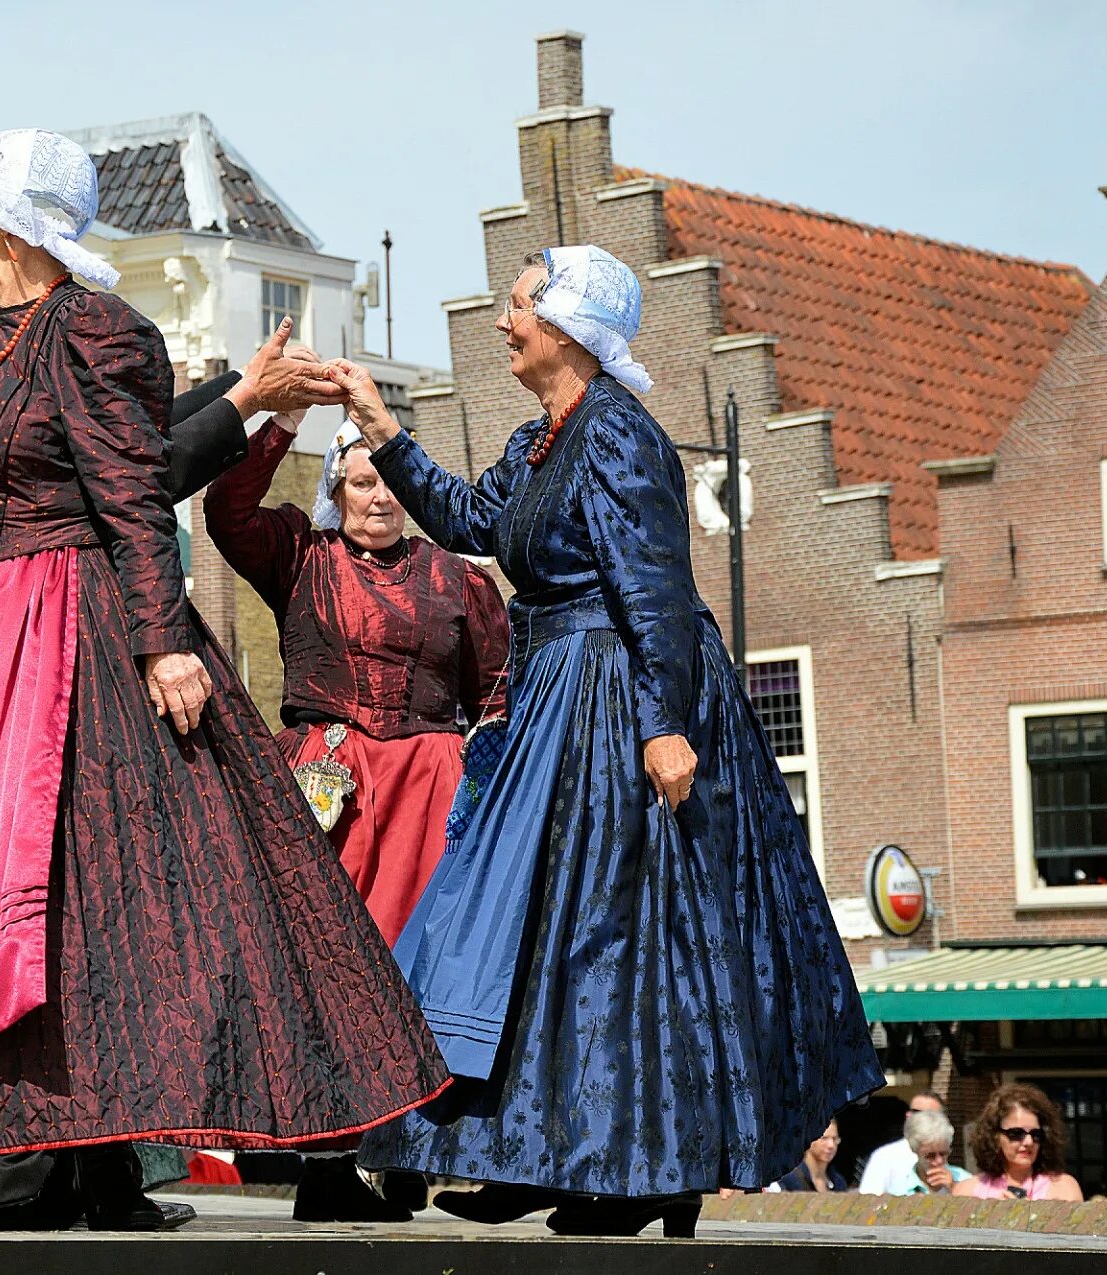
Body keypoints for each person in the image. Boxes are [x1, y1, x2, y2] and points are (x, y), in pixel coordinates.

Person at [0, 104, 451, 1234]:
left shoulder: (96, 331)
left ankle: (97, 1170)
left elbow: (131, 496)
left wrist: (163, 642)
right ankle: (46, 1165)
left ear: (5, 217)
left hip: (69, 630)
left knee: (96, 898)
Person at [341, 246, 884, 1238]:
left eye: (518, 308)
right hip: (557, 691)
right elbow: (475, 519)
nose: (504, 324)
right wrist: (384, 432)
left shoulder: (620, 436)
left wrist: (665, 724)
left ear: (565, 325)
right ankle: (534, 1152)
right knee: (534, 934)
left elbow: (656, 591)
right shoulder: (544, 438)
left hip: (613, 694)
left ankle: (638, 1174)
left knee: (613, 943)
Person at [206, 408, 510, 1222]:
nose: (380, 497)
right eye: (363, 481)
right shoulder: (302, 556)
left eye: (391, 481)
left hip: (430, 789)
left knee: (425, 975)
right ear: (337, 485)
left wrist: (488, 778)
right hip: (330, 789)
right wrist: (283, 420)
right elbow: (225, 511)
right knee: (329, 968)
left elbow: (498, 689)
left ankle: (411, 1151)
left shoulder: (455, 577)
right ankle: (328, 1161)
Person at [959, 1083, 1083, 1201]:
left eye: (1036, 1134)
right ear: (995, 1136)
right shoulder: (967, 1191)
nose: (1028, 1142)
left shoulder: (1064, 1189)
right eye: (1017, 1133)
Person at [856, 1091, 945, 1194]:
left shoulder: (952, 1166)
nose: (922, 1119)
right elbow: (868, 1201)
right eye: (916, 1112)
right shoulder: (884, 1157)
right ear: (908, 1115)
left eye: (930, 1115)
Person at [870, 1108, 972, 1195]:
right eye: (930, 1156)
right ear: (915, 1150)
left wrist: (955, 1188)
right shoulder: (900, 1190)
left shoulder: (965, 1180)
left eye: (943, 1153)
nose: (939, 1161)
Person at [769, 1120, 846, 1193]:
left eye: (835, 1139)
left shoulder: (838, 1182)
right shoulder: (788, 1179)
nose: (831, 1145)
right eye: (824, 1138)